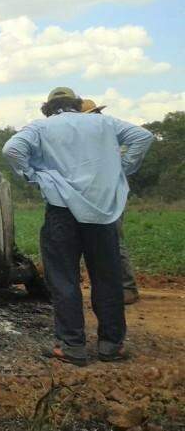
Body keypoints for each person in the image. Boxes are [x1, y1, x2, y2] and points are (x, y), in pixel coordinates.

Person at [2, 87, 153, 366]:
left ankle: (72, 346)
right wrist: (123, 168)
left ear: (48, 108)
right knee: (107, 279)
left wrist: (34, 176)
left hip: (62, 211)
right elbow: (142, 137)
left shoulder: (41, 127)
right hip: (103, 214)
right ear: (77, 104)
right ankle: (111, 346)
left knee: (64, 279)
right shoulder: (104, 122)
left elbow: (12, 149)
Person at [81, 99, 140, 304]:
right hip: (102, 193)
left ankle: (127, 288)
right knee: (105, 239)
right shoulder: (103, 134)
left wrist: (122, 169)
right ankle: (115, 287)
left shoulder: (105, 136)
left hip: (109, 194)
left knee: (113, 238)